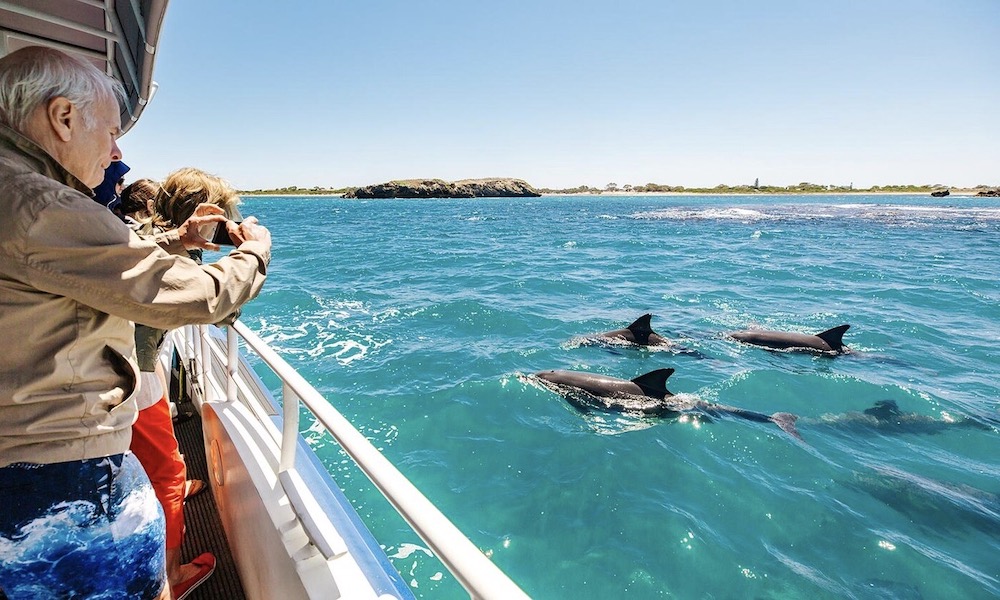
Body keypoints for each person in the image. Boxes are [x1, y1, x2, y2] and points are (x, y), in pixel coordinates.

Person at [0, 46, 271, 599]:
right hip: (52, 475)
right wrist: (253, 256)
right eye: (112, 129)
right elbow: (191, 297)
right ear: (63, 116)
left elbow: (94, 265)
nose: (118, 149)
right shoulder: (35, 204)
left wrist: (178, 239)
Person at [124, 168, 246, 598]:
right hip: (131, 374)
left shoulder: (139, 231)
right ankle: (171, 575)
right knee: (167, 469)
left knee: (158, 453)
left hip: (129, 362)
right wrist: (248, 254)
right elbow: (220, 308)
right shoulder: (178, 259)